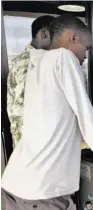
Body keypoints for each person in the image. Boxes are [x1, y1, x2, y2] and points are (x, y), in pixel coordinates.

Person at [1, 15, 93, 210]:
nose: (85, 56)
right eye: (85, 48)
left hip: (15, 182)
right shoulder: (63, 58)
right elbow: (85, 114)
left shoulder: (35, 63)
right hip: (42, 190)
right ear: (72, 37)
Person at [7, 15, 55, 147]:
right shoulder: (29, 62)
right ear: (44, 34)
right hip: (32, 142)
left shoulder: (34, 59)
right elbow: (33, 103)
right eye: (56, 38)